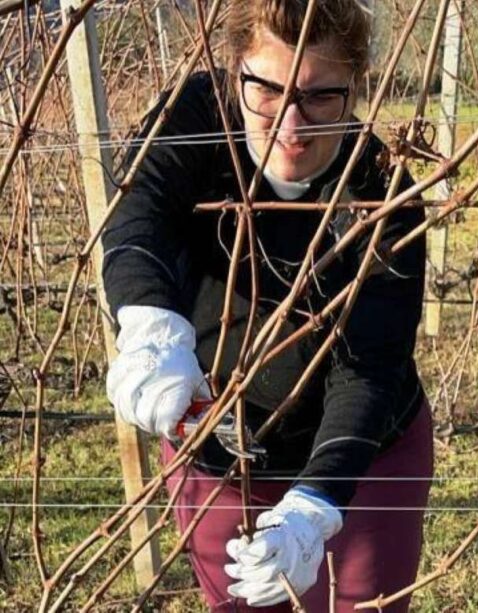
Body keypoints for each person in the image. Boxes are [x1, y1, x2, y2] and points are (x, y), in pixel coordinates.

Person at [101, 0, 432, 611]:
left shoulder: (383, 197)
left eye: (321, 96)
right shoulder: (196, 117)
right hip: (218, 456)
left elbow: (370, 368)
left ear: (357, 87)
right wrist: (150, 324)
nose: (291, 125)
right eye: (267, 91)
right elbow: (139, 216)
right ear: (236, 73)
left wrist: (314, 505)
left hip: (364, 460)